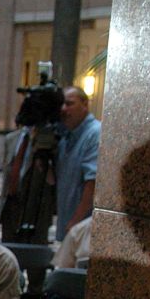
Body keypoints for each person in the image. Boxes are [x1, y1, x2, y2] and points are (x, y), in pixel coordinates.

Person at [55, 87, 100, 243]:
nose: (64, 109)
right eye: (62, 104)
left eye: (69, 104)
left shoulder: (94, 134)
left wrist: (76, 221)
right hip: (68, 221)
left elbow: (92, 183)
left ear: (85, 104)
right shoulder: (66, 137)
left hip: (82, 227)